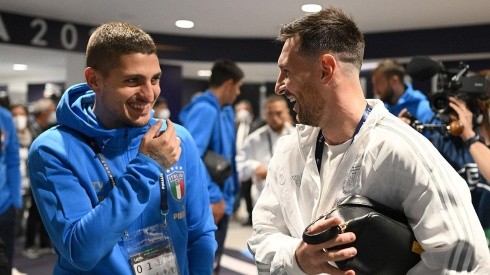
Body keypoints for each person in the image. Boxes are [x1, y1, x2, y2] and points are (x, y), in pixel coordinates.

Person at [247, 7, 490, 274]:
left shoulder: (403, 151)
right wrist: (297, 258)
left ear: (326, 70)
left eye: (288, 72)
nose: (279, 86)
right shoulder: (290, 150)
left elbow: (466, 262)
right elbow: (262, 236)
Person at [27, 22, 216, 274]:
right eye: (132, 81)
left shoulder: (175, 137)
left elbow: (200, 231)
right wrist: (147, 166)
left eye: (155, 79)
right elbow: (80, 252)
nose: (149, 94)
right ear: (95, 80)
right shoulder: (53, 150)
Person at [179, 59, 244, 274]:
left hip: (221, 200)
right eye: (237, 87)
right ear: (228, 84)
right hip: (210, 202)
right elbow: (191, 157)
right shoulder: (204, 110)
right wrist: (213, 197)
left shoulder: (223, 111)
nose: (238, 93)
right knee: (204, 264)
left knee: (213, 263)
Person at [428, 95, 490, 247]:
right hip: (456, 240)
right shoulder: (443, 144)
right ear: (482, 106)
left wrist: (469, 135)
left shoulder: (471, 141)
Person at [236, 94, 294, 210]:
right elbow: (239, 167)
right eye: (270, 114)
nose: (274, 117)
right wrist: (254, 167)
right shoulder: (254, 139)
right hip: (263, 200)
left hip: (292, 198)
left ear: (286, 112)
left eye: (278, 113)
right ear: (264, 114)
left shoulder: (297, 136)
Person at [22, 98, 56, 259]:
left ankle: (44, 243)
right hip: (33, 176)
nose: (53, 113)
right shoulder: (31, 129)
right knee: (34, 213)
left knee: (45, 210)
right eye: (51, 110)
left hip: (46, 175)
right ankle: (29, 244)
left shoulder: (46, 128)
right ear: (44, 112)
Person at [372, 59, 435, 124]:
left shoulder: (425, 109)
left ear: (394, 80)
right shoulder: (381, 112)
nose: (375, 91)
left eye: (378, 83)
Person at [233, 99, 264, 226]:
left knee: (256, 191)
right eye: (238, 110)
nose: (241, 113)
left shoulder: (258, 123)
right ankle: (249, 215)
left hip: (254, 159)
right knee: (244, 190)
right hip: (239, 162)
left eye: (243, 110)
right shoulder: (235, 125)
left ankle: (257, 217)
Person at [0, 105, 21, 275]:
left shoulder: (4, 117)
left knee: (5, 263)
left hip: (5, 205)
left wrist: (15, 200)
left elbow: (13, 160)